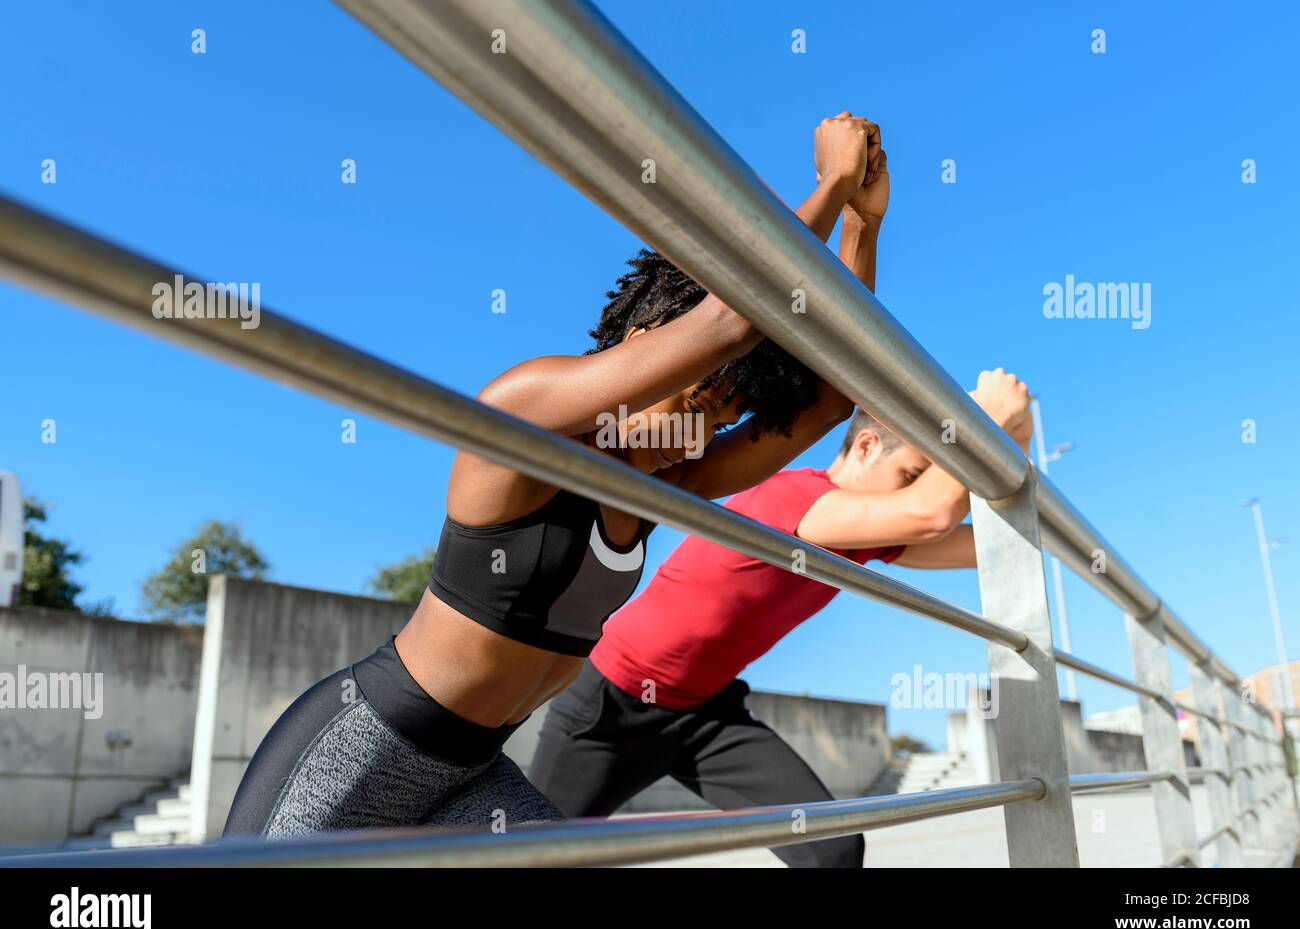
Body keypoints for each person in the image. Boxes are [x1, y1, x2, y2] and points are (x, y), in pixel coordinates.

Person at [223, 112, 888, 837]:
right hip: (366, 749)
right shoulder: (526, 415)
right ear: (644, 346)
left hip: (476, 770)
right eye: (693, 403)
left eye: (716, 423)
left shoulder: (660, 484)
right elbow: (727, 323)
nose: (696, 436)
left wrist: (861, 224)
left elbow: (828, 402)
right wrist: (829, 184)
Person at [528, 371, 1033, 867]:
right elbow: (930, 514)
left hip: (704, 715)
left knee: (832, 850)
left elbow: (982, 545)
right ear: (864, 447)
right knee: (532, 858)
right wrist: (986, 422)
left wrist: (1015, 442)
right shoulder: (798, 500)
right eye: (908, 476)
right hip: (609, 704)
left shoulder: (865, 536)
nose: (911, 493)